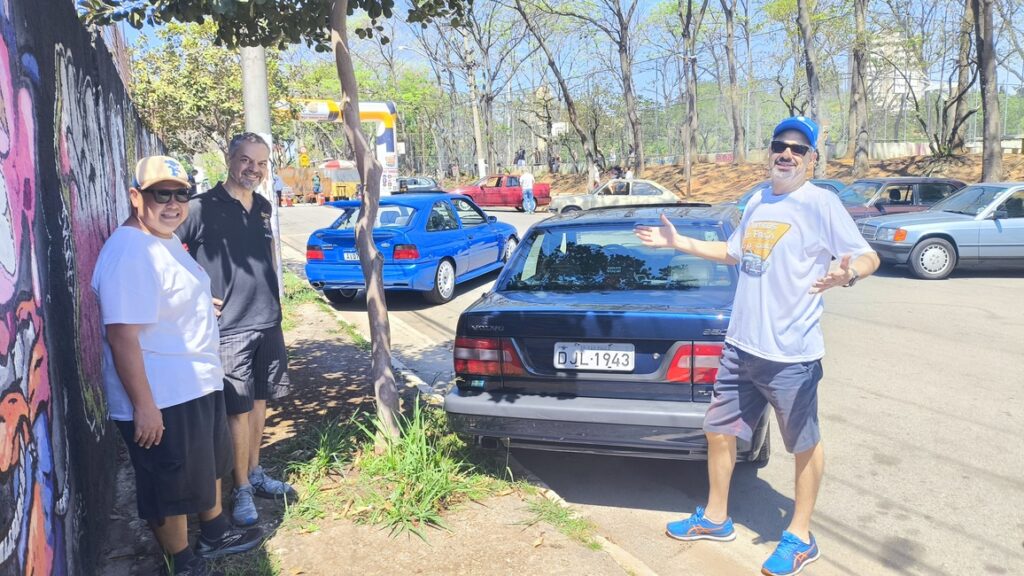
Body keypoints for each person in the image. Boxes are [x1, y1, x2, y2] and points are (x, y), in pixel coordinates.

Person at [635, 116, 880, 576]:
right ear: (770, 152)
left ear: (811, 159)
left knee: (803, 443)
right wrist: (678, 242)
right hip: (740, 347)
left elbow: (869, 255)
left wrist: (848, 273)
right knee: (718, 431)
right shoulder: (757, 200)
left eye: (798, 148)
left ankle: (800, 537)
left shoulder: (820, 203)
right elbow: (733, 253)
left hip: (791, 356)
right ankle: (715, 518)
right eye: (779, 145)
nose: (786, 153)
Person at [92, 156, 262, 576]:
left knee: (204, 468)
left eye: (181, 194)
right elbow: (122, 337)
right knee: (168, 484)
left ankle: (215, 533)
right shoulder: (130, 251)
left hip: (194, 382)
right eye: (161, 194)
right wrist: (144, 407)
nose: (173, 204)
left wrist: (200, 305)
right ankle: (182, 561)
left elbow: (165, 297)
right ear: (136, 197)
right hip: (162, 393)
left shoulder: (161, 238)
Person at [177, 133, 296, 528]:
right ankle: (241, 487)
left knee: (259, 402)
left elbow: (267, 257)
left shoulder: (262, 206)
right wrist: (193, 295)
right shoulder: (199, 208)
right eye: (246, 160)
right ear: (229, 159)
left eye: (261, 163)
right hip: (229, 328)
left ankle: (255, 471)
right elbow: (166, 252)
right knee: (237, 409)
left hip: (268, 321)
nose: (253, 169)